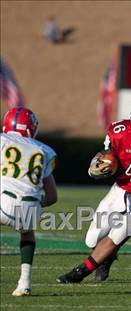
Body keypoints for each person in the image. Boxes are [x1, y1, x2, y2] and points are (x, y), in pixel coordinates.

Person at [56, 97, 131, 283]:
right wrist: (97, 166)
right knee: (91, 239)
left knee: (119, 234)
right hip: (121, 189)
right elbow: (106, 155)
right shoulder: (119, 131)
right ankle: (106, 258)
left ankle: (79, 273)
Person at [1, 107, 58, 296]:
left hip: (3, 204)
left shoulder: (2, 141)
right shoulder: (44, 150)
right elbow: (52, 197)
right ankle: (24, 282)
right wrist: (36, 204)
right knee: (27, 235)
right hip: (31, 208)